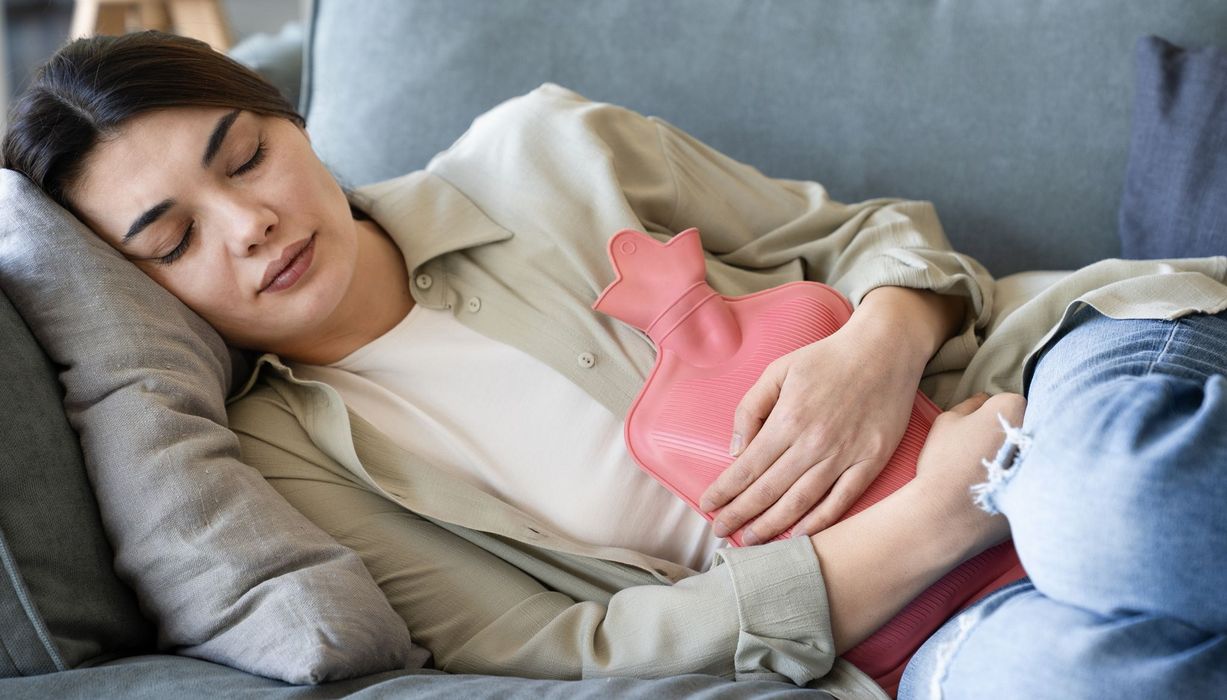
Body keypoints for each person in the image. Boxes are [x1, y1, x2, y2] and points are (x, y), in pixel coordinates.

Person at [2, 31, 1224, 698]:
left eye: (243, 155)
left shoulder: (544, 149)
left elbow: (867, 239)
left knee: (1119, 527)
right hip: (919, 640)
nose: (247, 223)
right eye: (171, 240)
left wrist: (876, 343)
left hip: (1037, 388)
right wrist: (936, 515)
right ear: (137, 290)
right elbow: (571, 650)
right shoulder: (290, 462)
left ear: (290, 118)